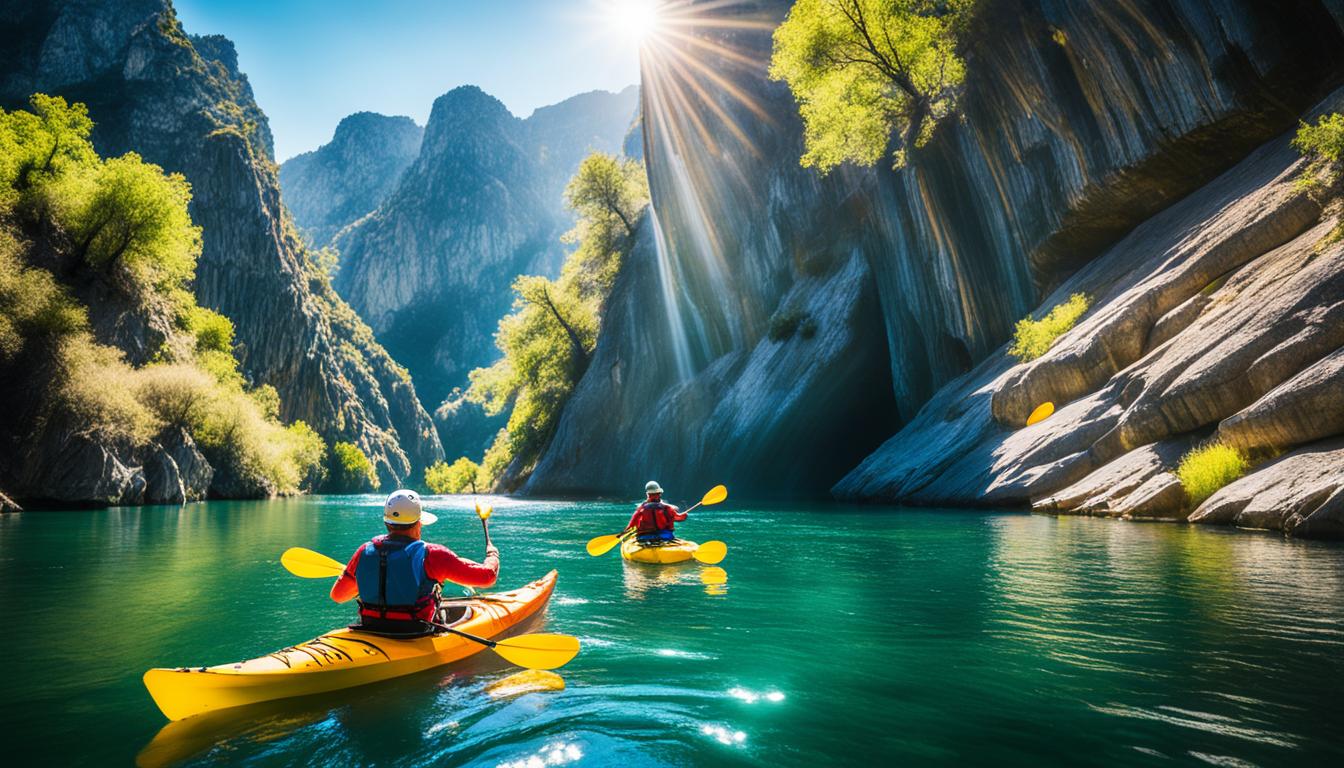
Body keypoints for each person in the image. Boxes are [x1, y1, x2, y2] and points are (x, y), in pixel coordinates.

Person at [331, 489, 500, 634]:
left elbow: (338, 595)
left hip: (370, 627)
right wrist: (493, 556)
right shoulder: (433, 555)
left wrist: (370, 580)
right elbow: (487, 577)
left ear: (386, 523)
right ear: (419, 523)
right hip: (415, 631)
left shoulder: (364, 551)